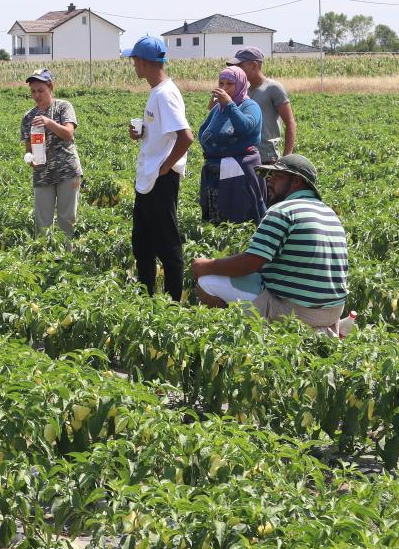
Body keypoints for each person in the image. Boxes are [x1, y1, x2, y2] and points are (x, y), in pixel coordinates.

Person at [190, 155, 349, 334]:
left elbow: (249, 265)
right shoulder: (329, 213)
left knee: (207, 281)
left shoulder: (283, 211)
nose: (269, 182)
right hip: (333, 311)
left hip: (299, 312)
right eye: (269, 177)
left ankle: (235, 337)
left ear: (296, 181)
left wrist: (206, 265)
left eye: (277, 176)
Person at [127, 34, 192, 300]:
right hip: (150, 177)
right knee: (142, 244)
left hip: (160, 179)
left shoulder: (165, 94)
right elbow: (164, 134)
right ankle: (147, 299)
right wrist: (142, 134)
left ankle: (174, 303)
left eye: (134, 60)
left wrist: (166, 167)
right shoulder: (157, 92)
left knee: (167, 245)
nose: (133, 65)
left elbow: (186, 136)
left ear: (143, 62)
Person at [195, 65, 266, 225]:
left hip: (240, 173)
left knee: (239, 221)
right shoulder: (218, 109)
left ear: (240, 84)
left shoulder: (250, 106)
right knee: (217, 223)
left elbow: (245, 127)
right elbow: (203, 131)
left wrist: (230, 105)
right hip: (216, 172)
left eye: (229, 84)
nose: (224, 87)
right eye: (221, 83)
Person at [18, 68, 82, 237]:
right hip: (42, 174)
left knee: (67, 219)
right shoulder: (28, 117)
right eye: (33, 91)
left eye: (41, 90)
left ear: (50, 87)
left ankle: (66, 258)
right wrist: (30, 159)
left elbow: (68, 134)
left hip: (67, 171)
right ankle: (45, 258)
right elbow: (28, 148)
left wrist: (48, 122)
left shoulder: (63, 107)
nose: (37, 95)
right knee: (42, 222)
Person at [231, 47, 296, 163]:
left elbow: (290, 123)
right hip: (245, 157)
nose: (236, 70)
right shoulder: (243, 92)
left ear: (254, 65)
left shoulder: (273, 88)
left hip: (267, 157)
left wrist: (287, 158)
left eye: (240, 66)